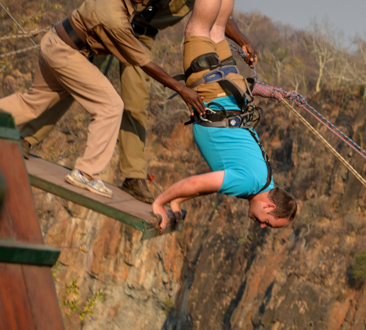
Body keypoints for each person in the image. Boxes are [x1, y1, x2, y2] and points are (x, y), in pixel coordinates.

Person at [17, 0, 257, 203]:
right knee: (69, 82)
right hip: (107, 25)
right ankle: (26, 138)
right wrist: (180, 88)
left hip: (140, 36)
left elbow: (219, 18)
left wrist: (243, 40)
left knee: (136, 101)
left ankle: (134, 176)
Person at [151, 0, 296, 232]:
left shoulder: (266, 180)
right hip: (211, 88)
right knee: (198, 28)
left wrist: (176, 200)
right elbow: (196, 183)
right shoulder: (247, 185)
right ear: (269, 205)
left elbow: (202, 188)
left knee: (217, 28)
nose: (260, 225)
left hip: (231, 89)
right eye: (266, 221)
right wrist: (160, 202)